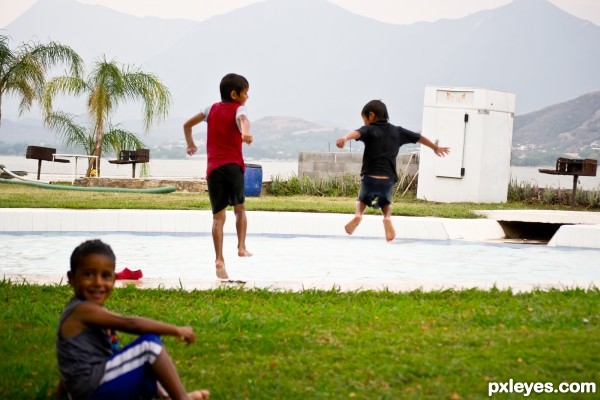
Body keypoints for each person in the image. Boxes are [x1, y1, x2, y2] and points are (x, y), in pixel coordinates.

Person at [55, 239, 210, 400]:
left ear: (114, 280)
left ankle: (167, 397)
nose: (98, 282)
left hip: (92, 386)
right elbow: (131, 324)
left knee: (136, 358)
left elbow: (71, 360)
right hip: (92, 389)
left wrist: (59, 395)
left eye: (105, 276)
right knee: (149, 345)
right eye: (88, 274)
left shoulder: (86, 309)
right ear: (71, 278)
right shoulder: (82, 310)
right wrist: (177, 330)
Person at [336, 99, 450, 241]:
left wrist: (345, 138)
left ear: (371, 115)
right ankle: (387, 218)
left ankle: (358, 215)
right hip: (387, 178)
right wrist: (435, 148)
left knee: (362, 199)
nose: (364, 122)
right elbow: (419, 137)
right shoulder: (398, 132)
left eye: (364, 118)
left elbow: (357, 133)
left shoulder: (369, 130)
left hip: (369, 176)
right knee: (386, 203)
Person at [183, 73, 254, 280]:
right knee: (239, 209)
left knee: (217, 218)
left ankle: (219, 259)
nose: (247, 97)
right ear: (235, 94)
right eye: (245, 93)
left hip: (213, 170)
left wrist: (190, 144)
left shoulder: (209, 109)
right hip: (233, 167)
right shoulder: (239, 108)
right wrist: (245, 133)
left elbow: (187, 125)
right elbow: (243, 119)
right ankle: (241, 247)